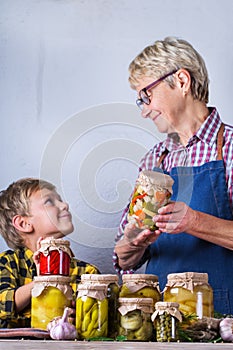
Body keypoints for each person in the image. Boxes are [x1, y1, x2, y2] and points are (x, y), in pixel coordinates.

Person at [113, 36, 233, 315]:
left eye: (147, 95)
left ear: (181, 81)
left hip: (223, 321)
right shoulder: (155, 159)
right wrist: (133, 242)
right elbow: (122, 258)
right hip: (161, 325)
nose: (144, 111)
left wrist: (193, 221)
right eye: (139, 100)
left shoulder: (229, 148)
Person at [0, 177, 100, 328]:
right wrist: (44, 282)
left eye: (60, 200)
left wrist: (79, 314)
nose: (65, 205)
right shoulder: (8, 263)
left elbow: (96, 323)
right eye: (49, 202)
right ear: (23, 223)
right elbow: (2, 304)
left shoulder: (87, 272)